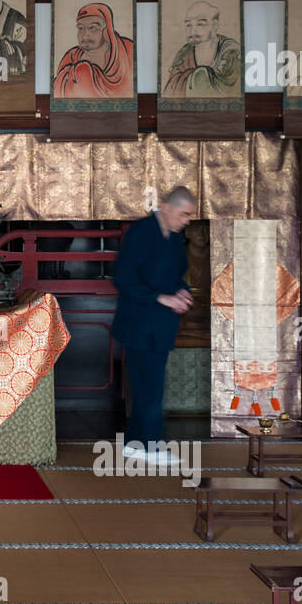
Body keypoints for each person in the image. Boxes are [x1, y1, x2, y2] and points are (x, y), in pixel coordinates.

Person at [110, 187, 196, 463]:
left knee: (152, 384)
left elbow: (177, 274)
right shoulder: (141, 233)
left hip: (160, 324)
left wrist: (181, 291)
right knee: (150, 385)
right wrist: (162, 297)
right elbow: (123, 278)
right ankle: (148, 446)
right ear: (168, 208)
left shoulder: (174, 237)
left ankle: (137, 443)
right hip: (139, 323)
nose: (187, 221)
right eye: (184, 214)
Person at [52, 1, 134, 97]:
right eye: (81, 28)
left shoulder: (128, 50)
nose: (85, 35)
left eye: (92, 28)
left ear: (106, 30)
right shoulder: (71, 57)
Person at [164, 0, 241, 97]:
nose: (193, 30)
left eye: (200, 24)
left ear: (214, 26)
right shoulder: (184, 54)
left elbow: (235, 89)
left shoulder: (230, 50)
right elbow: (170, 90)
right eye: (189, 25)